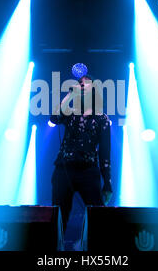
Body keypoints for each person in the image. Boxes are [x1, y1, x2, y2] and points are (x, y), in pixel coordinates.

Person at [50, 75, 112, 232]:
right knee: (58, 216)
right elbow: (54, 117)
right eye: (80, 84)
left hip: (88, 171)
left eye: (86, 84)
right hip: (64, 169)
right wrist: (70, 94)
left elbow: (105, 152)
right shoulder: (70, 113)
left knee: (96, 215)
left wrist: (107, 183)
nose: (82, 86)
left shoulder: (102, 119)